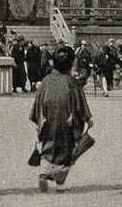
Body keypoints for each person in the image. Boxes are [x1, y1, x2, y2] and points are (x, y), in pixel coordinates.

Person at [29, 44, 94, 192]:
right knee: (67, 151)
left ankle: (51, 177)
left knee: (48, 148)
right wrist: (88, 118)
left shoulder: (46, 81)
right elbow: (79, 103)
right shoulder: (72, 82)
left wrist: (37, 120)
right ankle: (51, 177)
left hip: (47, 120)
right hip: (66, 121)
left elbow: (38, 101)